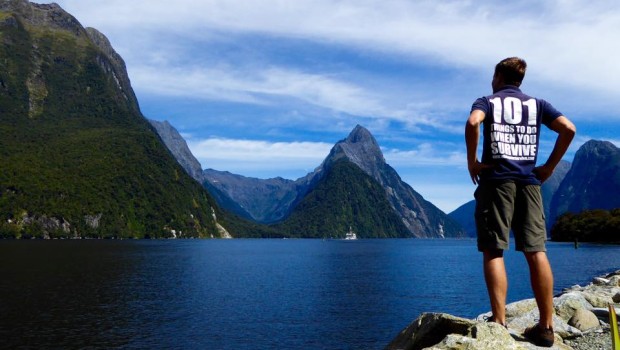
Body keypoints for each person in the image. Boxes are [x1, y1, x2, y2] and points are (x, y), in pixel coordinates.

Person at [465, 57, 576, 347]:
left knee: (493, 250)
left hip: (496, 181)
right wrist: (549, 167)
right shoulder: (538, 104)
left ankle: (500, 321)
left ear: (499, 77)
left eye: (493, 75)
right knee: (536, 251)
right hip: (529, 183)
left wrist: (473, 162)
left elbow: (472, 122)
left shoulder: (487, 101)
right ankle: (546, 326)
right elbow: (569, 129)